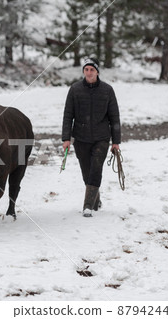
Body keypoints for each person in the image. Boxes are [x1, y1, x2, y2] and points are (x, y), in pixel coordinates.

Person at [62, 57, 121, 217]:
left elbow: (114, 116)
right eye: (86, 70)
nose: (89, 72)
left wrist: (116, 141)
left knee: (96, 168)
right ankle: (95, 197)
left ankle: (88, 205)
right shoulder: (75, 89)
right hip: (80, 138)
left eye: (92, 70)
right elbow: (68, 115)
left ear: (97, 72)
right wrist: (66, 138)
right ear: (84, 71)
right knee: (86, 172)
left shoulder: (107, 90)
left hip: (101, 137)